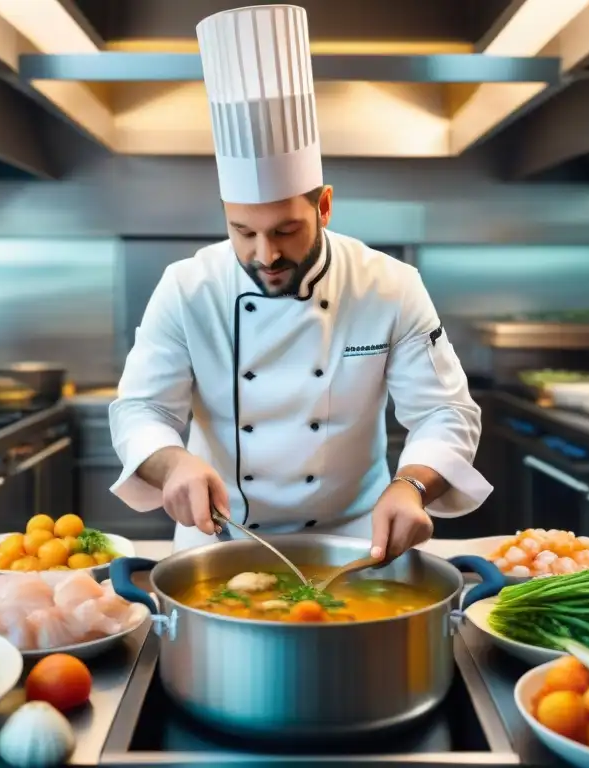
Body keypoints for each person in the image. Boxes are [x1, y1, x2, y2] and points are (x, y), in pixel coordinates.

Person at [109, 4, 493, 556]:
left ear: (325, 206)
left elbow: (443, 411)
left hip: (358, 544)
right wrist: (172, 465)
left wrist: (411, 486)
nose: (265, 254)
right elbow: (139, 408)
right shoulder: (187, 286)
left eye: (286, 230)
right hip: (216, 543)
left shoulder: (389, 285)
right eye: (242, 231)